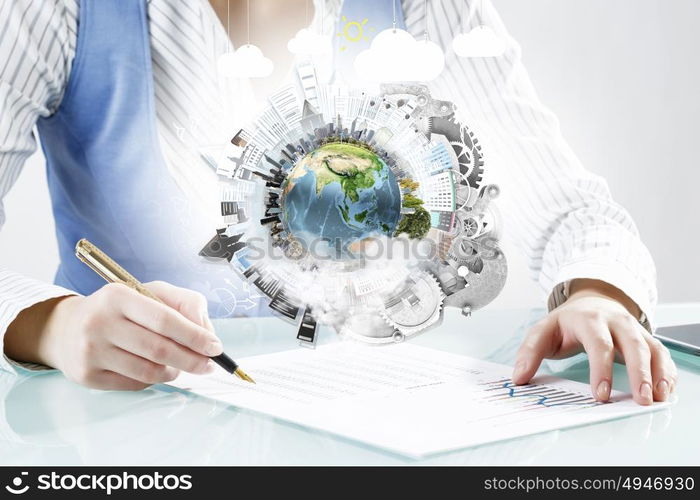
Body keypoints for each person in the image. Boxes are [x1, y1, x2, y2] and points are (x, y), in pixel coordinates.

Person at [0, 0, 676, 404]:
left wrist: (597, 293)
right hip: (128, 432)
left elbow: (571, 211)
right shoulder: (58, 11)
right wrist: (52, 327)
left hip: (378, 423)